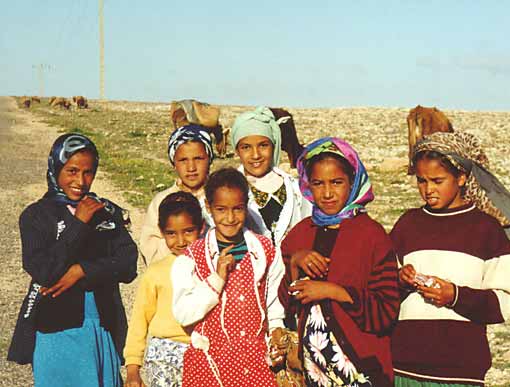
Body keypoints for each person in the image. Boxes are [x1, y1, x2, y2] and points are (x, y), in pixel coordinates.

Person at [390, 132, 510, 387]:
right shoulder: (408, 225)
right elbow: (382, 288)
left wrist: (455, 296)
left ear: (461, 178)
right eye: (421, 181)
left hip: (460, 371)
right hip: (404, 368)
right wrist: (401, 280)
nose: (428, 190)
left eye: (438, 181)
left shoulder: (487, 231)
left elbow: (504, 302)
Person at [7, 133, 138, 387]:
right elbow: (44, 270)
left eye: (88, 172)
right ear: (56, 167)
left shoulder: (104, 211)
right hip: (56, 331)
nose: (80, 181)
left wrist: (83, 270)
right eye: (72, 170)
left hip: (102, 326)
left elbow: (128, 263)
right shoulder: (36, 215)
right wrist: (78, 223)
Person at [278, 137, 399, 387]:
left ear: (353, 182)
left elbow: (386, 311)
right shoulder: (299, 235)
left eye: (337, 182)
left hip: (362, 366)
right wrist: (294, 264)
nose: (328, 192)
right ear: (307, 185)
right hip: (314, 370)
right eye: (318, 183)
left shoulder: (372, 236)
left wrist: (334, 292)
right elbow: (288, 307)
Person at [171, 167, 285, 387]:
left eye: (238, 209)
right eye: (221, 209)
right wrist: (217, 279)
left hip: (257, 365)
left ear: (246, 206)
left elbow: (273, 303)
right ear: (208, 207)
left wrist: (276, 333)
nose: (230, 218)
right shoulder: (192, 258)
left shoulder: (265, 250)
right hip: (209, 366)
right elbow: (184, 314)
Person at [124, 192, 203, 387]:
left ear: (201, 228)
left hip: (201, 351)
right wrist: (133, 367)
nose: (181, 241)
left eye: (188, 231)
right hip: (163, 356)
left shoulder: (210, 269)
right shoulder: (156, 272)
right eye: (171, 233)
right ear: (161, 231)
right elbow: (139, 321)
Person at [231, 106, 311, 247]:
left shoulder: (295, 189)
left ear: (274, 146)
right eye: (246, 147)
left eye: (263, 145)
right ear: (237, 150)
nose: (256, 155)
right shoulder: (229, 189)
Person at [139, 124, 215, 264]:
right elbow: (149, 247)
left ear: (209, 159)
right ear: (174, 163)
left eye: (198, 159)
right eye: (183, 160)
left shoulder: (219, 197)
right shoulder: (161, 201)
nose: (191, 168)